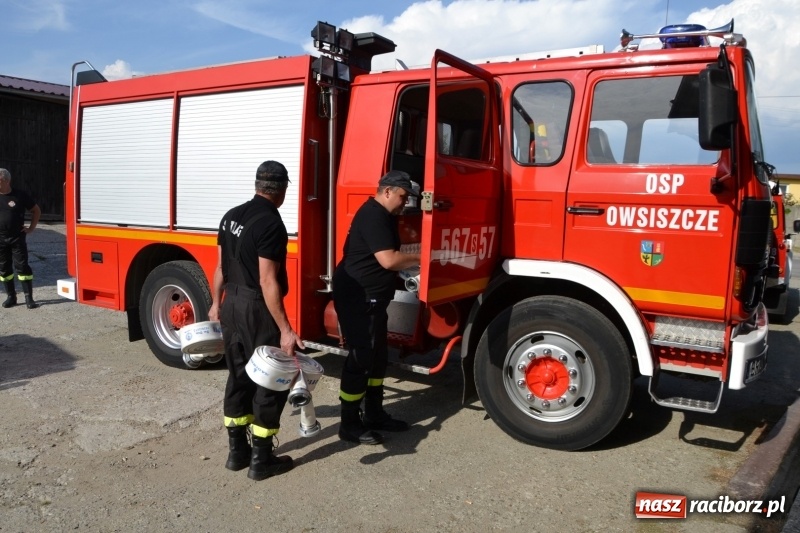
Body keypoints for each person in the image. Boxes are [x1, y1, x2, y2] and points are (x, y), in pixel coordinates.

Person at [208, 160, 304, 481]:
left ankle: (237, 454)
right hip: (256, 309)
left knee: (238, 375)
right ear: (282, 190)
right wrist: (286, 329)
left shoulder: (230, 216)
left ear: (257, 185)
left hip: (231, 304)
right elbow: (267, 281)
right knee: (269, 379)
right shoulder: (271, 224)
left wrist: (214, 304)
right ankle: (262, 460)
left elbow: (220, 267)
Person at [333, 170, 421, 445]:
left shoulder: (382, 215)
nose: (404, 203)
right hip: (360, 296)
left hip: (372, 297)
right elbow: (388, 260)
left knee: (377, 357)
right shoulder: (373, 215)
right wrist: (424, 257)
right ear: (386, 191)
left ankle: (374, 414)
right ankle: (349, 423)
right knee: (360, 360)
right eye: (402, 197)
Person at [0, 168, 41, 309]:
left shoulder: (19, 195)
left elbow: (36, 210)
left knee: (22, 267)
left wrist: (31, 228)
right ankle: (11, 297)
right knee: (4, 269)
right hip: (0, 239)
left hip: (17, 238)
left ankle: (29, 298)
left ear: (6, 180)